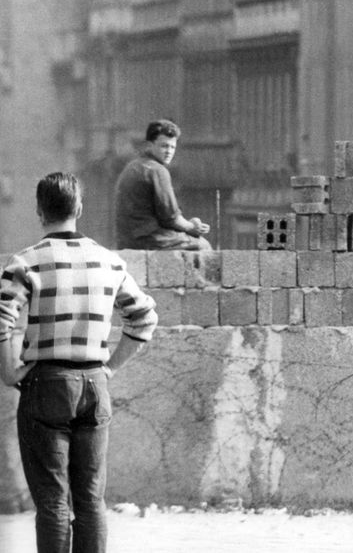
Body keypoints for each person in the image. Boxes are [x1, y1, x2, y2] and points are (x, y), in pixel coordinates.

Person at [0, 172, 159, 553]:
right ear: (80, 209)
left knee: (53, 502)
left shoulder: (25, 263)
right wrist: (110, 368)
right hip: (94, 385)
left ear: (40, 212)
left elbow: (2, 316)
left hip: (45, 385)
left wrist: (8, 371)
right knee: (90, 501)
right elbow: (144, 318)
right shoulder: (110, 262)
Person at [114, 119, 212, 250]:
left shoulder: (133, 166)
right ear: (150, 145)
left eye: (173, 147)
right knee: (203, 246)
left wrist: (189, 225)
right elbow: (171, 218)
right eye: (164, 146)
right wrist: (192, 227)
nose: (169, 151)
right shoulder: (157, 170)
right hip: (149, 240)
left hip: (126, 240)